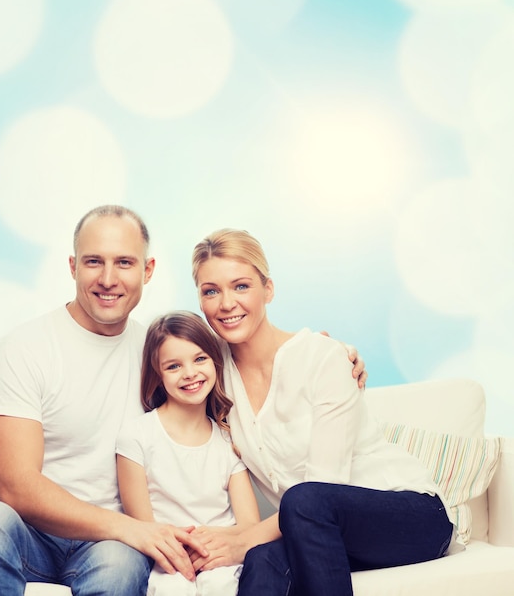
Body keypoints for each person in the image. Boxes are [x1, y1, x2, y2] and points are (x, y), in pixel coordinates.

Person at [0, 205, 366, 596]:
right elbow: (15, 487)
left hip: (113, 545)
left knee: (117, 566)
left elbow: (233, 357)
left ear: (147, 271)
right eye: (94, 261)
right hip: (37, 533)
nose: (108, 279)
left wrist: (328, 354)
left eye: (124, 262)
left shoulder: (159, 352)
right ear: (73, 267)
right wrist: (135, 530)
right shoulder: (23, 349)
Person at [187, 228, 455, 596]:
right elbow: (162, 352)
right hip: (316, 531)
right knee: (262, 562)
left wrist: (242, 540)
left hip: (410, 516)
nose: (226, 303)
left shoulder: (322, 359)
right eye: (211, 291)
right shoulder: (212, 375)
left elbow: (325, 485)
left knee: (304, 498)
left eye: (241, 286)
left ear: (268, 289)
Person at [116, 311, 260, 596]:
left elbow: (249, 526)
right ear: (157, 375)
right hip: (165, 559)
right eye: (173, 366)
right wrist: (184, 546)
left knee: (221, 585)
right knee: (172, 589)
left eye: (200, 359)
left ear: (215, 362)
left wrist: (210, 543)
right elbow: (143, 526)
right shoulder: (136, 436)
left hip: (221, 557)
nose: (190, 373)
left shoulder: (228, 438)